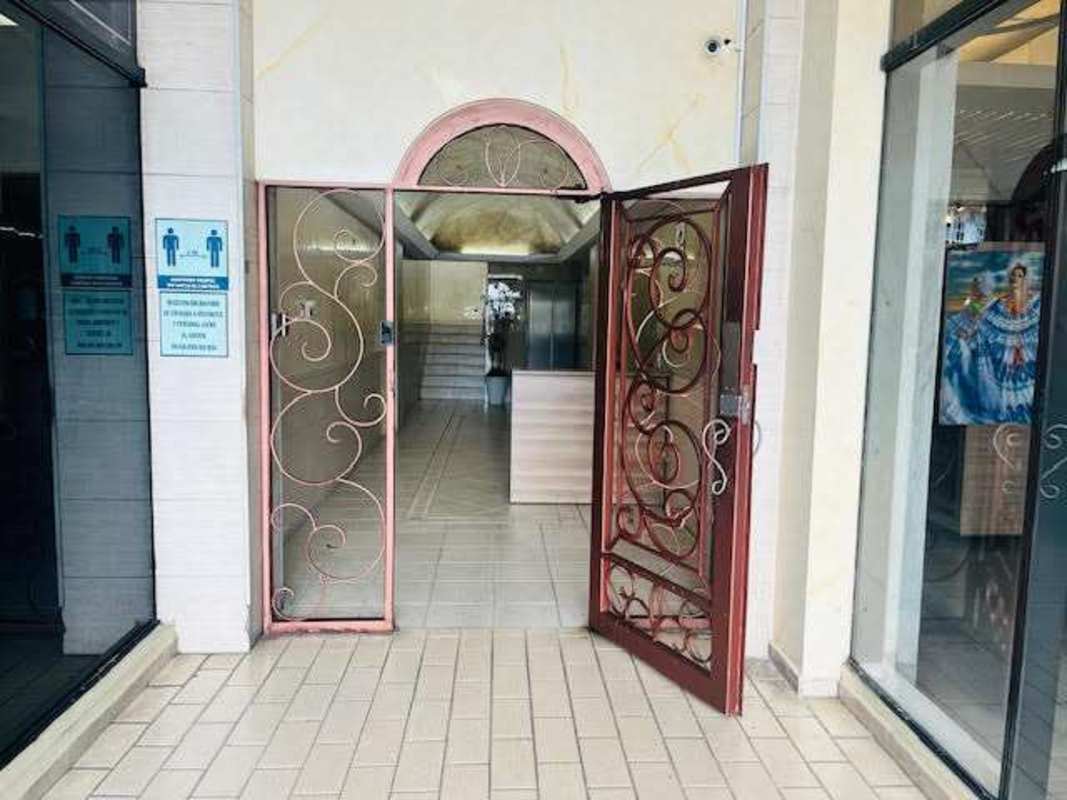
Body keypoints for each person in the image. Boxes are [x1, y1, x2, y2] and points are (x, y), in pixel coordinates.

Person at [941, 262, 1041, 424]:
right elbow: (979, 319)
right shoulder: (996, 305)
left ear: (1025, 280)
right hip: (1001, 366)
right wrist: (967, 333)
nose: (1015, 279)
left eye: (1019, 276)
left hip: (1025, 368)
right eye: (1012, 276)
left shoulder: (1036, 305)